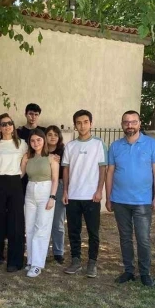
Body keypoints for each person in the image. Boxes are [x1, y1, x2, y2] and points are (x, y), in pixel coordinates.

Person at [105, 110, 155, 287]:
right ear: (122, 125)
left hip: (143, 202)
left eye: (133, 122)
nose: (129, 125)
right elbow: (110, 173)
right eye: (126, 122)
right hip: (120, 200)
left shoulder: (151, 144)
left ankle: (145, 273)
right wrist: (108, 197)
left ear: (139, 123)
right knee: (125, 237)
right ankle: (129, 271)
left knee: (143, 239)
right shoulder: (115, 146)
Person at [62, 110, 107, 278]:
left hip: (91, 196)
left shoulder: (98, 144)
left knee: (93, 232)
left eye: (85, 122)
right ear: (75, 125)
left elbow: (103, 168)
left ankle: (92, 263)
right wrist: (65, 191)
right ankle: (75, 260)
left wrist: (99, 190)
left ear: (91, 123)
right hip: (73, 196)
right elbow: (66, 170)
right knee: (73, 231)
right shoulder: (70, 146)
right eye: (79, 123)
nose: (82, 126)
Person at [0, 113, 27, 272]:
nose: (7, 126)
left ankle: (15, 261)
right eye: (3, 124)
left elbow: (31, 156)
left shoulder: (22, 144)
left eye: (10, 123)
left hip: (15, 182)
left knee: (16, 221)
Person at [21, 130, 59, 277]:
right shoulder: (28, 157)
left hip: (45, 191)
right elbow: (20, 174)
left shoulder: (51, 158)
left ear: (43, 140)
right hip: (30, 191)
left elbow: (55, 179)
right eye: (32, 140)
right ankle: (31, 260)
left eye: (38, 140)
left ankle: (37, 264)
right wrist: (23, 161)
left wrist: (52, 197)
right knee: (29, 227)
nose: (36, 143)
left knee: (41, 228)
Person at [45, 125, 66, 264]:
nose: (53, 137)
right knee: (43, 221)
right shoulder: (40, 151)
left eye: (55, 135)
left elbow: (66, 172)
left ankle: (58, 252)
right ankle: (44, 250)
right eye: (50, 134)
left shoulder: (64, 152)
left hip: (59, 186)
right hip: (43, 186)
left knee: (58, 222)